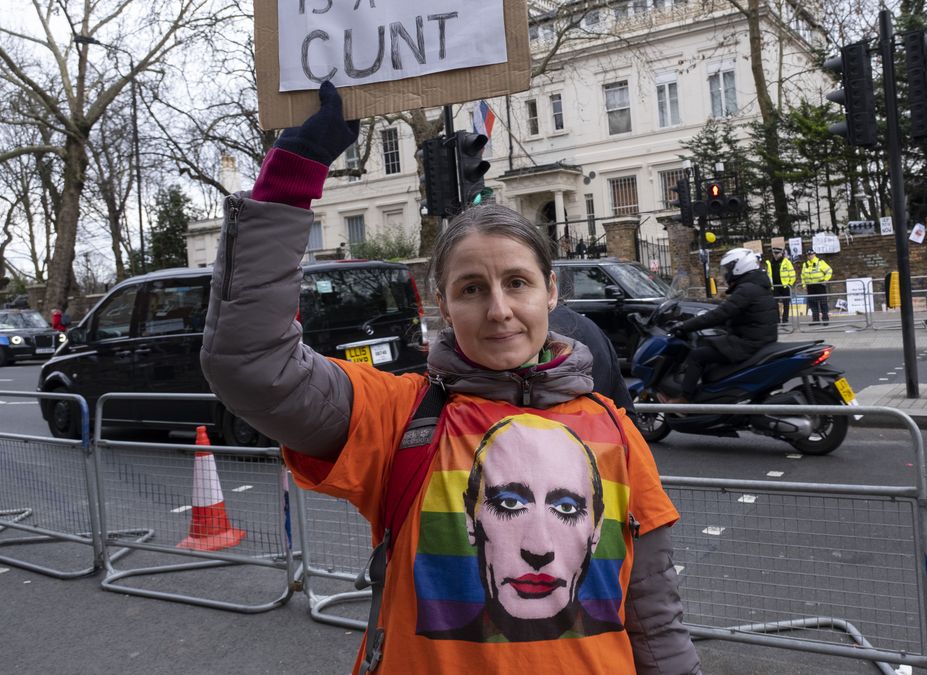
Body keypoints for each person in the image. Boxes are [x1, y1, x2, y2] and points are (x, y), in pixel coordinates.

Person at [199, 82, 699, 675]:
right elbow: (251, 363)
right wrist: (292, 177)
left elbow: (654, 621)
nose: (498, 310)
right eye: (471, 289)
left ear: (551, 291)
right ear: (442, 303)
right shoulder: (396, 419)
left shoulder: (618, 432)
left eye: (517, 282)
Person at [419, 414, 622, 642]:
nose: (538, 549)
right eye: (510, 504)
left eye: (566, 508)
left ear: (596, 528)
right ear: (471, 519)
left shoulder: (622, 432)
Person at [667, 248, 777, 401]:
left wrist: (684, 326)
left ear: (739, 267)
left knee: (697, 355)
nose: (725, 273)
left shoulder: (746, 289)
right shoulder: (757, 285)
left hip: (748, 343)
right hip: (760, 339)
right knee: (712, 344)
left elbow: (719, 315)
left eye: (728, 269)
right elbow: (740, 315)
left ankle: (685, 400)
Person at [550, 271, 634, 410]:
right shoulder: (588, 327)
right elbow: (623, 409)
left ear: (552, 286)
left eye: (517, 284)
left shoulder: (584, 328)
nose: (501, 311)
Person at [763, 247, 796, 324]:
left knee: (786, 303)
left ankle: (785, 319)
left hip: (785, 286)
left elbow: (792, 274)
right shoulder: (770, 262)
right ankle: (777, 319)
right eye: (775, 253)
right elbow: (768, 275)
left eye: (778, 253)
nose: (776, 255)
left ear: (781, 254)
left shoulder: (786, 262)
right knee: (774, 303)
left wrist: (789, 284)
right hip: (774, 286)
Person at [800, 249, 833, 325]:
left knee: (823, 303)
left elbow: (829, 270)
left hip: (820, 285)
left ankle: (825, 320)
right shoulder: (805, 264)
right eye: (808, 255)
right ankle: (816, 320)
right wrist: (804, 285)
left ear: (814, 254)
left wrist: (825, 280)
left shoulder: (820, 262)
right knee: (813, 304)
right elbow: (802, 276)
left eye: (811, 254)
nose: (810, 256)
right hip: (810, 286)